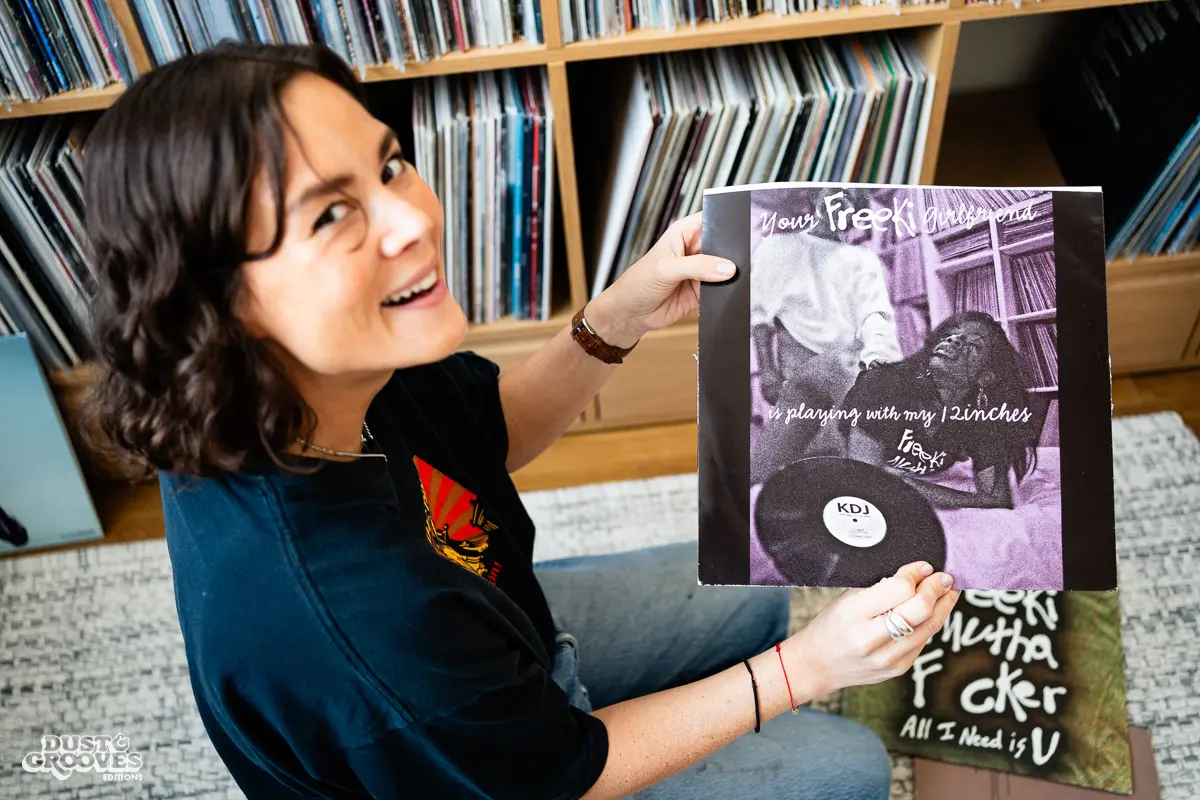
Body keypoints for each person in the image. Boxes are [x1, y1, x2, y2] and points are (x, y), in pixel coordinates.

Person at [83, 42, 960, 799]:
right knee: (850, 763)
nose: (413, 219)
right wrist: (805, 671)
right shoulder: (355, 612)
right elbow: (568, 774)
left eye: (389, 165)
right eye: (332, 213)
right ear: (216, 301)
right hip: (505, 760)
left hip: (497, 632)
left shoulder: (310, 370)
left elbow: (493, 430)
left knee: (758, 582)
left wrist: (620, 313)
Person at [836, 311, 1043, 510]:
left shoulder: (977, 415)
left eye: (974, 345)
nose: (953, 340)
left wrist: (909, 484)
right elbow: (865, 478)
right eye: (951, 334)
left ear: (985, 377)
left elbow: (997, 498)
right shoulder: (882, 385)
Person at [750, 228, 902, 485]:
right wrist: (767, 370)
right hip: (805, 369)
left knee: (853, 464)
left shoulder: (863, 258)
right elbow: (761, 316)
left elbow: (875, 319)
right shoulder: (780, 247)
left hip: (848, 368)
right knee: (770, 472)